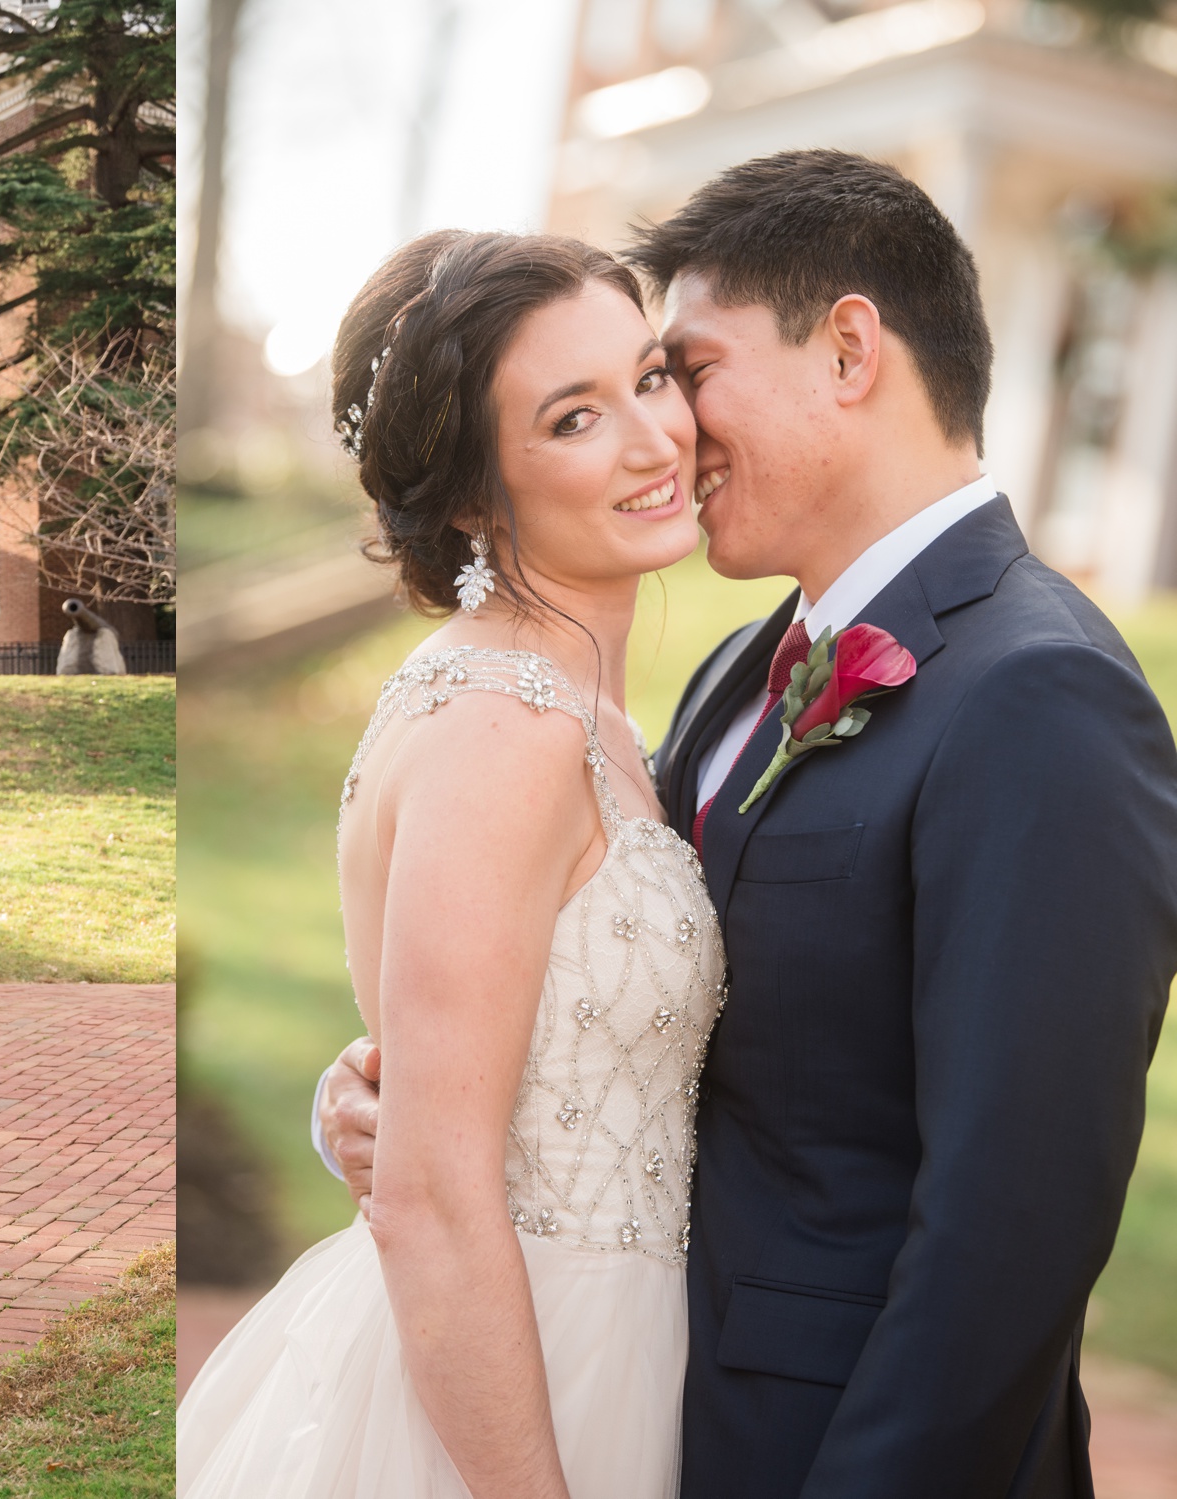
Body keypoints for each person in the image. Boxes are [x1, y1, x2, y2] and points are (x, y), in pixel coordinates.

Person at [314, 151, 1177, 1497]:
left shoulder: (1039, 692)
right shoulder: (735, 669)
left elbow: (1008, 1233)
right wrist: (402, 1100)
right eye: (599, 402)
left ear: (847, 350)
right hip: (649, 1401)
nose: (675, 431)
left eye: (680, 369)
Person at [180, 230, 724, 1497]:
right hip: (529, 1365)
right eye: (575, 417)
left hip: (608, 1328)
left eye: (650, 377)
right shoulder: (506, 727)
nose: (654, 441)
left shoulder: (580, 714)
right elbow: (428, 1192)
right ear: (477, 491)